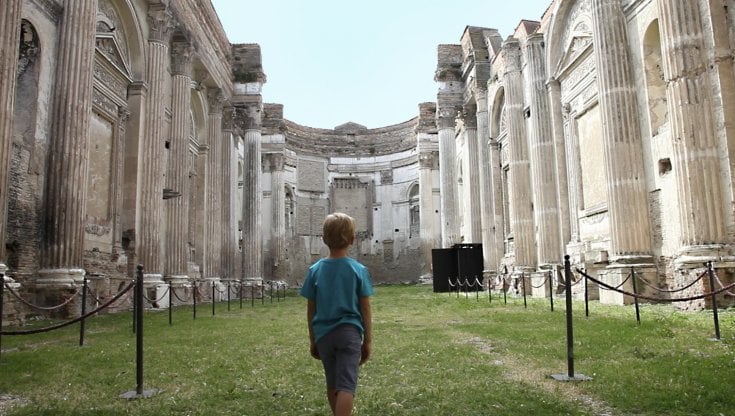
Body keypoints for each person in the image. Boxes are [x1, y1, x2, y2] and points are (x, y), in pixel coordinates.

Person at [299, 212, 374, 416]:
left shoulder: (314, 270)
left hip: (323, 335)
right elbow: (365, 308)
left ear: (323, 239)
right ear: (352, 239)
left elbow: (311, 310)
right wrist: (367, 341)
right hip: (349, 333)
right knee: (347, 386)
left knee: (332, 384)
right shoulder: (358, 270)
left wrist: (313, 339)